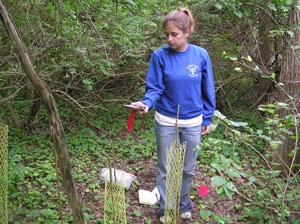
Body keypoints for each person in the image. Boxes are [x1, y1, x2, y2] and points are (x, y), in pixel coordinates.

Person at [132, 7, 216, 223]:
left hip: (193, 122)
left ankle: (183, 204)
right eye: (166, 35)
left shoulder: (200, 55)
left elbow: (208, 89)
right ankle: (167, 207)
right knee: (167, 167)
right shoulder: (159, 56)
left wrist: (207, 117)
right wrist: (146, 104)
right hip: (166, 121)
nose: (169, 39)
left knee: (187, 168)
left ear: (187, 32)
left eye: (174, 34)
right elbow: (154, 88)